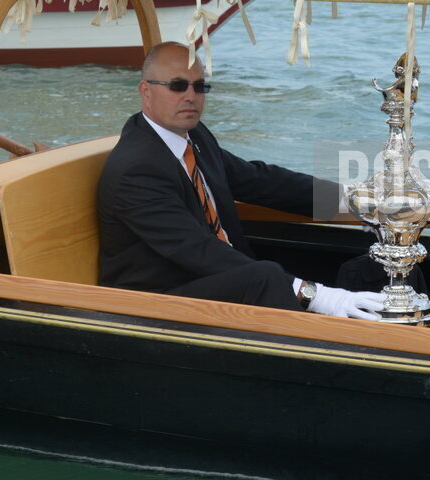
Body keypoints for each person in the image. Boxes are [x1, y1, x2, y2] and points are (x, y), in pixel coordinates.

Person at [97, 42, 386, 320]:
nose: (191, 96)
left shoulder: (193, 136)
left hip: (213, 277)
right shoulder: (136, 170)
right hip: (153, 302)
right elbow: (197, 250)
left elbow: (260, 181)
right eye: (177, 86)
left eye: (199, 86)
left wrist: (352, 200)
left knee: (359, 261)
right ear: (145, 92)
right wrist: (319, 297)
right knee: (267, 277)